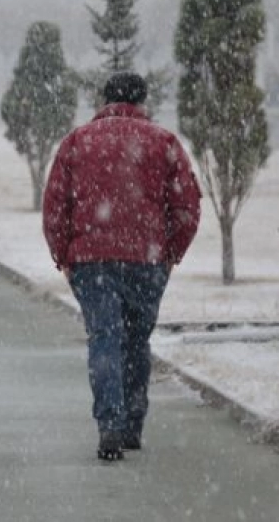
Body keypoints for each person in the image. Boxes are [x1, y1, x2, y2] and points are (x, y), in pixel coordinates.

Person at [42, 71, 202, 462]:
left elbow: (56, 205)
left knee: (104, 339)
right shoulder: (164, 143)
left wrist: (63, 254)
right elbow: (186, 205)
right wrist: (169, 254)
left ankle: (109, 423)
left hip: (91, 259)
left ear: (105, 100)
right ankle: (132, 423)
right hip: (146, 259)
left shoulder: (77, 142)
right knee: (136, 340)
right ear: (142, 101)